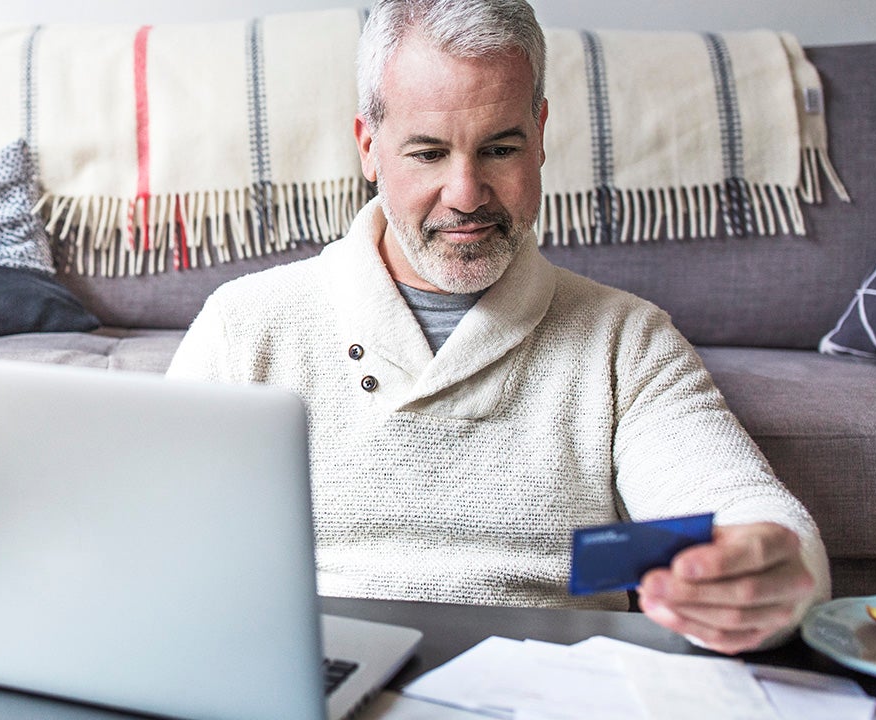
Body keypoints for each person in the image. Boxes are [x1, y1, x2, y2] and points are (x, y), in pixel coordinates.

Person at [167, 0, 828, 654]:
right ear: (369, 148)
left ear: (539, 136)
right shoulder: (244, 324)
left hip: (550, 685)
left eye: (500, 149)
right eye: (428, 153)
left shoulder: (626, 340)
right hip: (315, 675)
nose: (466, 193)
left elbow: (745, 509)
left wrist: (768, 575)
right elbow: (150, 534)